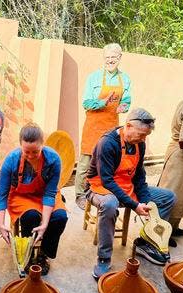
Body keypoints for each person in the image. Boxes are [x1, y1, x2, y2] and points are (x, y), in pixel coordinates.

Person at [84, 108, 176, 280]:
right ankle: (104, 258)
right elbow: (107, 181)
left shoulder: (138, 144)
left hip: (126, 186)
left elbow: (140, 176)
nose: (143, 139)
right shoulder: (108, 143)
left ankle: (148, 241)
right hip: (99, 187)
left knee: (168, 197)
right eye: (141, 135)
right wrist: (134, 205)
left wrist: (147, 202)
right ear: (128, 126)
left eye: (146, 136)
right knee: (110, 205)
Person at [0, 123, 68, 275]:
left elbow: (49, 194)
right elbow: (1, 195)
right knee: (31, 217)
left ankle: (43, 254)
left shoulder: (53, 159)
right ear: (20, 145)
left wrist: (45, 224)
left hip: (44, 194)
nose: (30, 156)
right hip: (21, 196)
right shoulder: (11, 160)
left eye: (35, 151)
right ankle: (27, 255)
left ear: (43, 145)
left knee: (60, 217)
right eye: (26, 151)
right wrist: (1, 224)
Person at [75, 43, 131, 209]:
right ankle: (80, 194)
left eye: (113, 57)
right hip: (93, 125)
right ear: (103, 59)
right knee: (86, 161)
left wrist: (124, 106)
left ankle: (99, 191)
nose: (110, 61)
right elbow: (86, 102)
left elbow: (127, 99)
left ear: (120, 58)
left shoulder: (125, 79)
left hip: (111, 127)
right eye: (107, 58)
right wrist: (102, 102)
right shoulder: (94, 77)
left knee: (106, 161)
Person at [158, 94, 183, 247]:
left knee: (182, 197)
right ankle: (160, 233)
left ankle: (173, 228)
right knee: (172, 195)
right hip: (181, 156)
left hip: (182, 156)